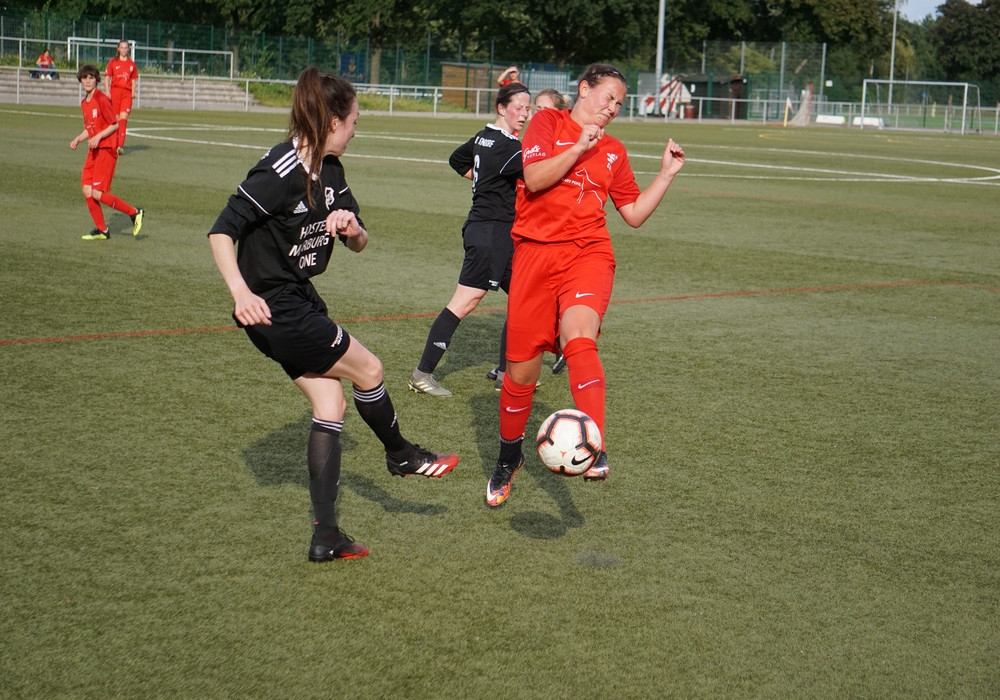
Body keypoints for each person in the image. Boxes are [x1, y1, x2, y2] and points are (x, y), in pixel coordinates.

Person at [208, 67, 460, 563]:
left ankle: (326, 536)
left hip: (296, 301)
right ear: (331, 121)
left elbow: (361, 242)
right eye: (353, 122)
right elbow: (222, 230)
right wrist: (239, 292)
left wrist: (350, 228)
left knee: (331, 405)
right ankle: (401, 454)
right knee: (369, 368)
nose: (355, 130)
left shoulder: (332, 170)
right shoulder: (279, 171)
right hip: (273, 307)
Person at [485, 63, 685, 508]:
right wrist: (578, 146)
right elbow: (534, 179)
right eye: (607, 97)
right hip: (535, 257)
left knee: (580, 337)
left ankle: (594, 447)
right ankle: (509, 457)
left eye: (619, 103)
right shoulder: (546, 122)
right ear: (584, 89)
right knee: (520, 373)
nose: (612, 109)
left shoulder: (614, 150)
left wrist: (666, 174)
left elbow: (632, 213)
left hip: (587, 254)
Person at [408, 83, 531, 397]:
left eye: (528, 108)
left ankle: (507, 374)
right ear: (501, 107)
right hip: (490, 233)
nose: (525, 113)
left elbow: (457, 160)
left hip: (496, 233)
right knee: (463, 303)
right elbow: (536, 177)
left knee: (523, 298)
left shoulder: (482, 137)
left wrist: (485, 180)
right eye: (519, 106)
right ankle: (423, 374)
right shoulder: (507, 146)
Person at [70, 64, 144, 241]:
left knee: (97, 193)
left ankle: (134, 212)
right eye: (84, 78)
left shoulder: (101, 99)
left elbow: (115, 124)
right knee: (87, 190)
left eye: (91, 78)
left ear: (97, 80)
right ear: (80, 80)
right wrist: (78, 139)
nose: (88, 81)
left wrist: (98, 137)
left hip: (106, 149)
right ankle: (102, 230)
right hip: (94, 150)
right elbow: (90, 128)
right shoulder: (84, 103)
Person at [104, 40, 137, 156]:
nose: (123, 50)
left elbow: (133, 80)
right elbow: (107, 78)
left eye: (125, 48)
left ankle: (120, 146)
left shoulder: (132, 64)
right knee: (116, 121)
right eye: (121, 47)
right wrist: (107, 91)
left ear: (128, 49)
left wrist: (133, 92)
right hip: (115, 92)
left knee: (123, 119)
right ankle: (114, 144)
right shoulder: (112, 62)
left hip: (126, 94)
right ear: (118, 49)